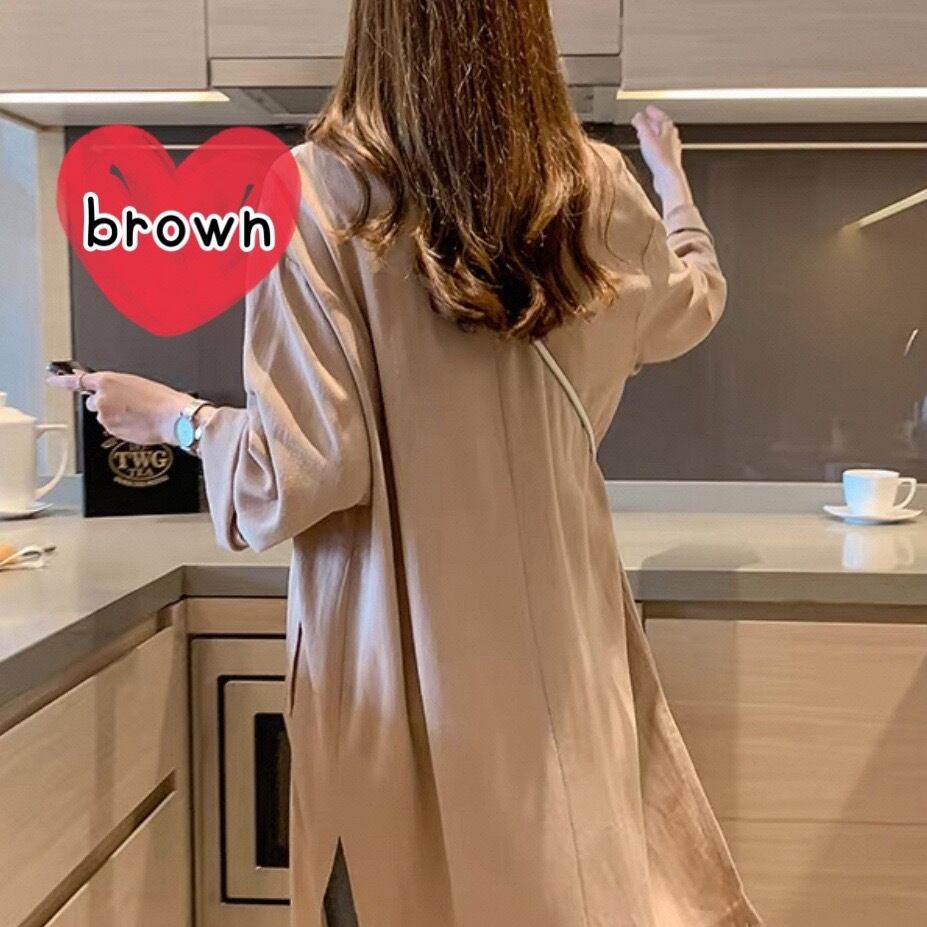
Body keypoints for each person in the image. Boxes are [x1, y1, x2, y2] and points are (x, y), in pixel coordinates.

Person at [50, 2, 763, 924]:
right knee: (566, 881)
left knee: (401, 886)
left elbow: (298, 472)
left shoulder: (311, 194)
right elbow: (693, 302)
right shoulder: (598, 190)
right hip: (563, 659)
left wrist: (176, 419)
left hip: (399, 676)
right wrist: (673, 183)